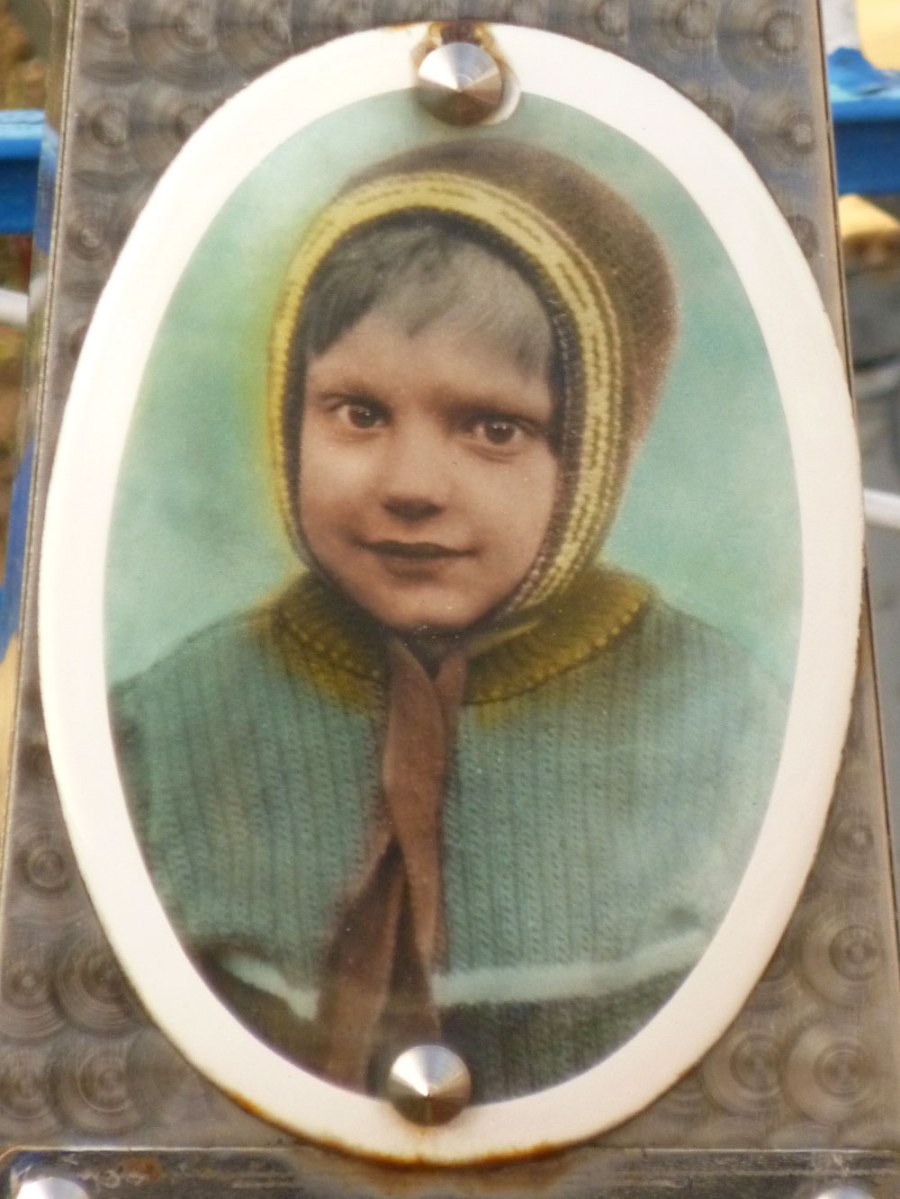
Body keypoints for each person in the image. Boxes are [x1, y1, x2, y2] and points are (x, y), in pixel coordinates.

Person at [111, 140, 786, 1103]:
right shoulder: (168, 722)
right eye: (358, 413)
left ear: (594, 454)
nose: (413, 487)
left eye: (493, 428)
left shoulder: (725, 717)